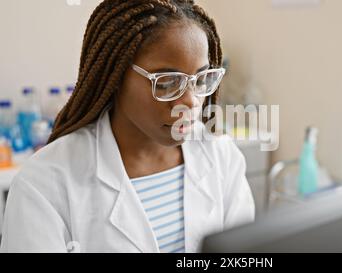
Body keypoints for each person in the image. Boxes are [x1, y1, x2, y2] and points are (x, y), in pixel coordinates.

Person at [0, 0, 255, 253]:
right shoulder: (44, 183)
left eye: (201, 79)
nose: (191, 100)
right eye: (166, 82)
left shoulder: (222, 157)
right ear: (116, 76)